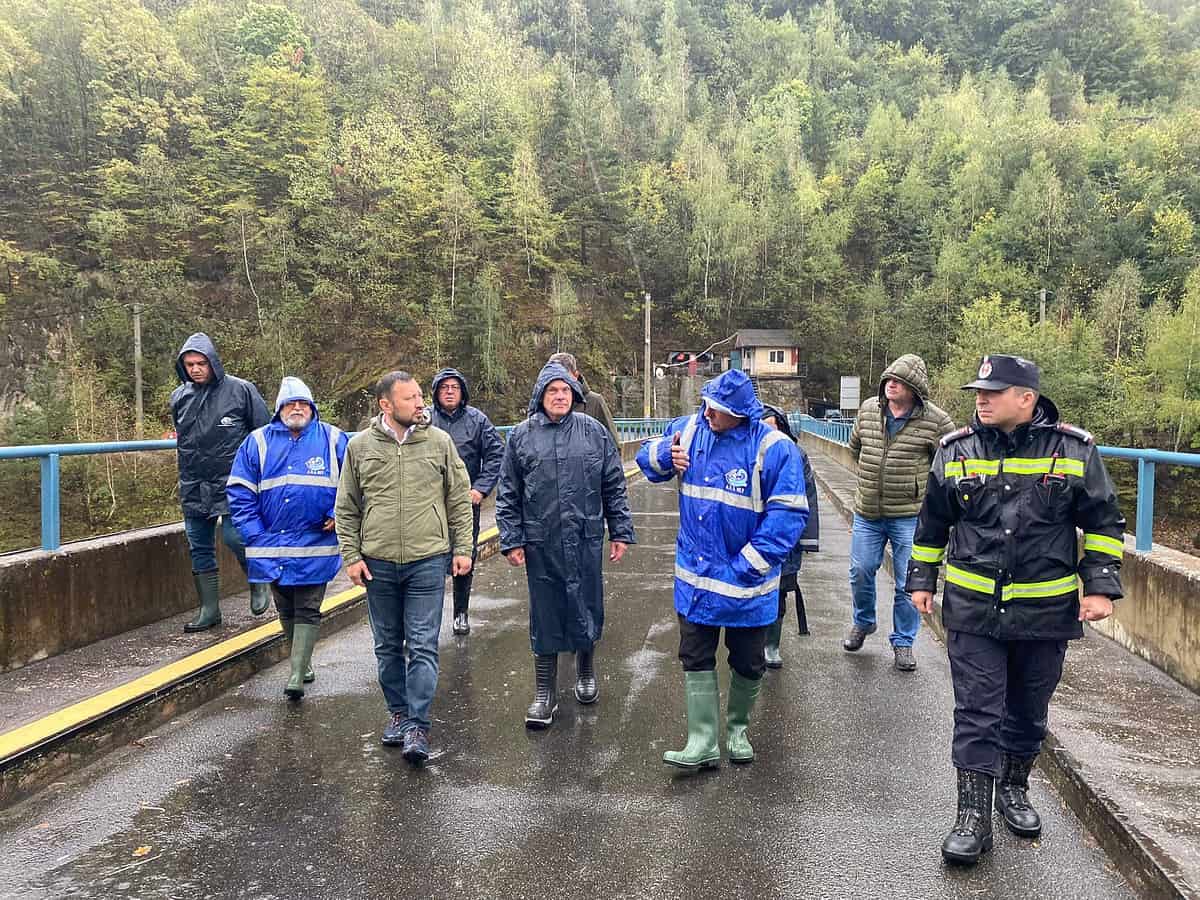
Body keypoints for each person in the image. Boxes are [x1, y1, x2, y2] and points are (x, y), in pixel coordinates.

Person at [907, 354, 1125, 866]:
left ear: (1026, 399)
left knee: (1028, 710)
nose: (980, 399)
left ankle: (1013, 788)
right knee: (977, 710)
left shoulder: (1073, 450)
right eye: (978, 391)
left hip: (1044, 612)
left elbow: (1103, 521)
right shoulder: (956, 451)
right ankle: (971, 817)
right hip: (973, 609)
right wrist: (921, 579)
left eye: (993, 392)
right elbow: (932, 522)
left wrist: (1100, 587)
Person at [636, 369, 807, 770]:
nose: (708, 413)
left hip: (746, 585)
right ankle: (702, 740)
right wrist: (665, 454)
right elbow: (647, 453)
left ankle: (737, 730)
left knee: (748, 662)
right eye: (708, 404)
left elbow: (788, 516)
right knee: (694, 655)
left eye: (718, 409)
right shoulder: (692, 430)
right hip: (696, 579)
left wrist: (749, 566)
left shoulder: (774, 449)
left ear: (740, 413)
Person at [335, 371, 474, 764]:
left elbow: (459, 500)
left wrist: (463, 548)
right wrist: (352, 556)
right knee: (387, 647)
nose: (420, 404)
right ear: (386, 405)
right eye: (411, 398)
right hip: (377, 563)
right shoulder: (360, 447)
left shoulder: (440, 442)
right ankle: (398, 712)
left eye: (419, 397)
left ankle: (417, 724)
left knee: (424, 645)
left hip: (428, 560)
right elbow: (346, 507)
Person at [496, 362, 636, 730]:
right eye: (552, 391)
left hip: (585, 537)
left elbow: (614, 484)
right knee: (545, 611)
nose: (559, 397)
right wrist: (511, 539)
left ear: (575, 394)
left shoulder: (594, 433)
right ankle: (545, 693)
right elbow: (508, 492)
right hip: (540, 541)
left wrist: (620, 531)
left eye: (565, 391)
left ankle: (586, 670)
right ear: (540, 396)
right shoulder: (522, 437)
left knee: (586, 604)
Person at [227, 378, 348, 700]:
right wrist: (253, 533)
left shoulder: (333, 439)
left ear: (312, 408)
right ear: (279, 409)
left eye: (303, 404)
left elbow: (356, 483)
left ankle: (296, 672)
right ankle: (302, 661)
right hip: (271, 542)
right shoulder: (257, 443)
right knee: (285, 606)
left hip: (317, 542)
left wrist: (340, 514)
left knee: (309, 605)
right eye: (290, 404)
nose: (297, 409)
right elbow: (239, 492)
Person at [844, 353, 954, 670]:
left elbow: (950, 464)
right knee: (861, 571)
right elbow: (854, 449)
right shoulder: (868, 410)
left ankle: (903, 643)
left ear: (914, 388)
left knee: (910, 580)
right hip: (868, 510)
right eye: (888, 379)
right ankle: (864, 622)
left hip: (909, 515)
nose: (890, 385)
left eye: (898, 381)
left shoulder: (935, 421)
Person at [170, 333, 271, 633]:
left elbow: (264, 435)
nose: (196, 369)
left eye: (201, 362)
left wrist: (261, 479)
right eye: (189, 364)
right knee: (198, 545)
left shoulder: (241, 390)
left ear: (213, 362)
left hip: (234, 481)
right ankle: (209, 609)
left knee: (235, 536)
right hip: (193, 481)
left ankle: (257, 579)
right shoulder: (179, 397)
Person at [429, 368, 505, 636]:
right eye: (444, 387)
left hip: (463, 504)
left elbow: (497, 454)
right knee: (428, 560)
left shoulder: (477, 420)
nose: (449, 391)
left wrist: (481, 489)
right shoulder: (424, 419)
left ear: (463, 392)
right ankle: (427, 619)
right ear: (436, 391)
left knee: (464, 556)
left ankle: (461, 612)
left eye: (455, 387)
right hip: (428, 505)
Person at [759, 404, 820, 666]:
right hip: (753, 533)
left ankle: (771, 645)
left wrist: (808, 539)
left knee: (780, 590)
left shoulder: (797, 455)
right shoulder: (745, 454)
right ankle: (751, 642)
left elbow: (809, 497)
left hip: (786, 538)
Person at [547, 351, 620, 445]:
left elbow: (613, 444)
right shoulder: (542, 403)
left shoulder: (594, 402)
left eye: (564, 376)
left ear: (575, 375)